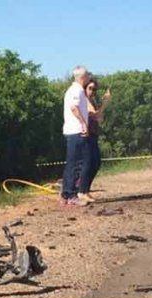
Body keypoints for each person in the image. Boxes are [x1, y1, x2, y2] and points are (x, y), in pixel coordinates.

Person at [60, 66, 92, 206]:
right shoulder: (76, 90)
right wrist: (84, 124)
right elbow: (74, 107)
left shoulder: (75, 90)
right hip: (76, 131)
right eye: (87, 75)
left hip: (73, 131)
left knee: (72, 163)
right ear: (82, 77)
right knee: (77, 164)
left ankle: (65, 195)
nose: (89, 77)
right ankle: (71, 195)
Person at [77, 78, 111, 201]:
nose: (92, 91)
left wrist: (102, 106)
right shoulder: (84, 101)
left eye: (94, 89)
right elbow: (96, 115)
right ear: (85, 88)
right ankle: (82, 190)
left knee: (96, 163)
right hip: (86, 135)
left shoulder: (93, 102)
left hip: (94, 135)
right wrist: (105, 104)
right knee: (88, 162)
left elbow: (100, 118)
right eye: (90, 88)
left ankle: (85, 189)